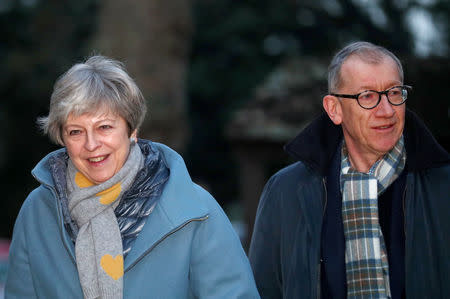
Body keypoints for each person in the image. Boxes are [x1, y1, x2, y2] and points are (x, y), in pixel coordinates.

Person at [5, 55, 260, 298]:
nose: (91, 144)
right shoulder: (37, 211)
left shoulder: (196, 210)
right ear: (62, 138)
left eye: (104, 127)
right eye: (76, 132)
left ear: (132, 130)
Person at [249, 41, 450, 298]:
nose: (386, 110)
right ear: (334, 109)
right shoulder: (285, 192)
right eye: (368, 96)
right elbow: (262, 291)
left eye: (395, 93)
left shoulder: (443, 186)